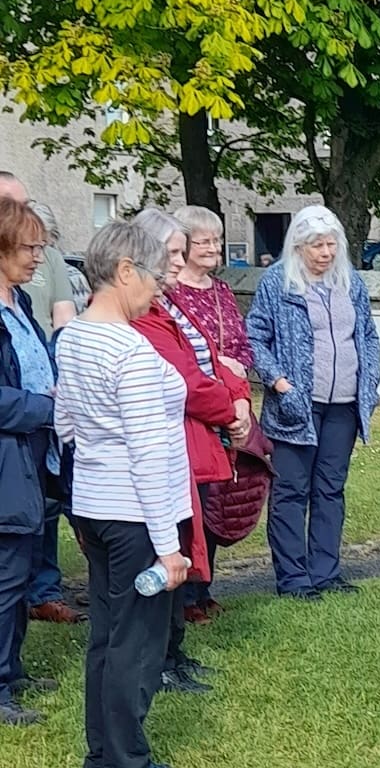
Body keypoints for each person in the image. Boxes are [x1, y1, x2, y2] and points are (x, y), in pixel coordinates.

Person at [55, 219, 193, 768]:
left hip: (94, 506)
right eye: (157, 276)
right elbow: (147, 454)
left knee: (107, 638)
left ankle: (102, 756)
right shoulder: (130, 349)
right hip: (136, 515)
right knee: (135, 646)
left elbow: (64, 421)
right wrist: (169, 546)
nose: (162, 287)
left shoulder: (75, 336)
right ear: (125, 272)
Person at [130, 209, 249, 695]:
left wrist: (236, 396)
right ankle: (158, 660)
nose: (179, 264)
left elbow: (212, 364)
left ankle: (172, 653)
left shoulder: (168, 307)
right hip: (175, 440)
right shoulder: (147, 315)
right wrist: (228, 407)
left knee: (182, 545)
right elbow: (187, 379)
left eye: (182, 253)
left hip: (194, 438)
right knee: (166, 553)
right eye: (173, 253)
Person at [246, 205, 380, 600]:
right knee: (290, 490)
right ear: (299, 246)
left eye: (331, 243)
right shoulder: (277, 282)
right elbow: (254, 337)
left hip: (344, 403)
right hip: (295, 405)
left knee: (330, 489)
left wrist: (370, 377)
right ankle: (293, 579)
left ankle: (326, 572)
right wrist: (279, 382)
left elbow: (368, 334)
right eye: (317, 245)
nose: (325, 252)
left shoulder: (350, 281)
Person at [167, 204, 256, 622]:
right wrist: (218, 364)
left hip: (228, 399)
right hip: (193, 405)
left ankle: (205, 588)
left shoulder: (220, 292)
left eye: (215, 240)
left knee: (218, 498)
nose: (211, 248)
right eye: (201, 240)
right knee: (193, 503)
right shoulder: (171, 293)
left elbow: (241, 342)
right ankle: (184, 597)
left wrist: (235, 368)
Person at [0, 198, 59, 725]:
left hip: (33, 454)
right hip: (6, 458)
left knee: (21, 570)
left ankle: (12, 669)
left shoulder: (19, 304)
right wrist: (50, 406)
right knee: (4, 573)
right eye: (29, 246)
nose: (39, 256)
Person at [22, 199, 87, 624]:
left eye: (43, 245)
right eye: (31, 246)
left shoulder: (54, 264)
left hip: (50, 388)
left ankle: (45, 588)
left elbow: (63, 318)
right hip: (24, 396)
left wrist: (62, 374)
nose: (37, 254)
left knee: (57, 493)